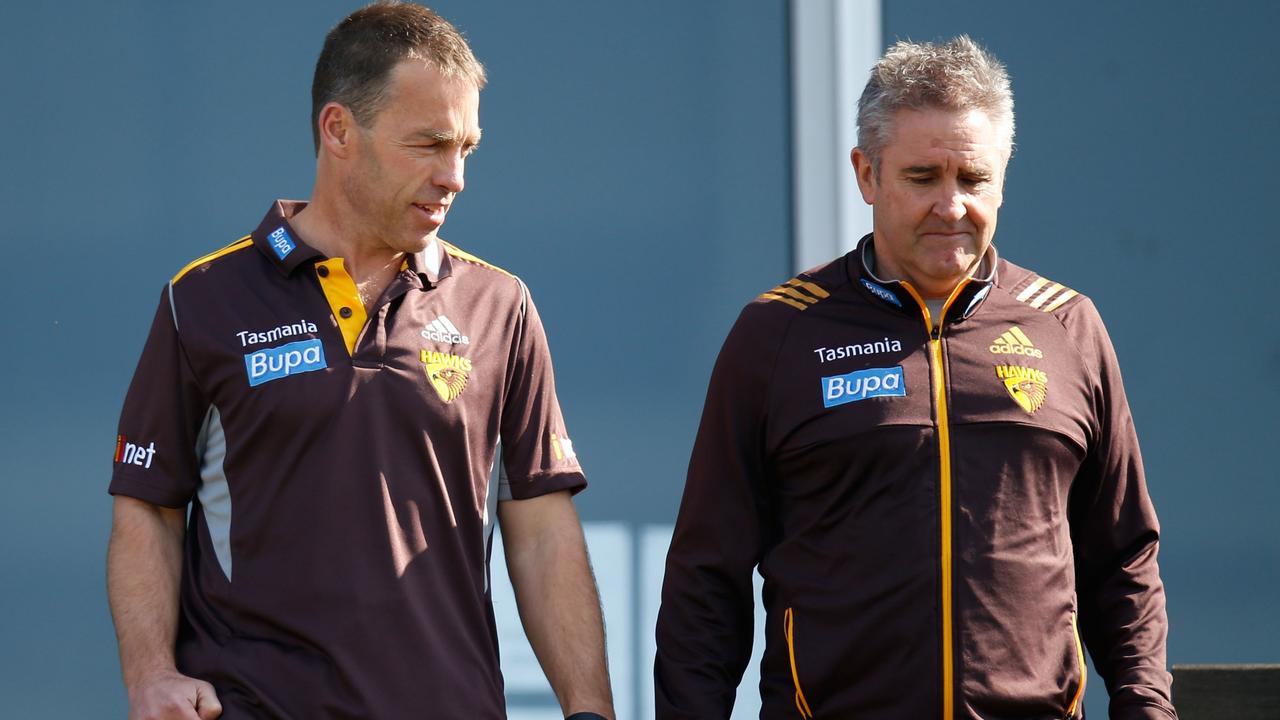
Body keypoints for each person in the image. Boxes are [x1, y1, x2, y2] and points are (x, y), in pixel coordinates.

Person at [106, 3, 614, 719]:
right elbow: (148, 508)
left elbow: (539, 528)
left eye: (467, 147)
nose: (455, 176)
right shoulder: (204, 301)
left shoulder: (502, 306)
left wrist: (589, 709)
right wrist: (151, 674)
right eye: (429, 144)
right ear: (339, 130)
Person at [655, 35, 1175, 719]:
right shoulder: (778, 333)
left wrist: (1147, 709)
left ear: (1003, 177)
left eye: (974, 179)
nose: (951, 206)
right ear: (866, 174)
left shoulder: (1069, 327)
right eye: (923, 177)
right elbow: (705, 581)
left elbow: (1124, 560)